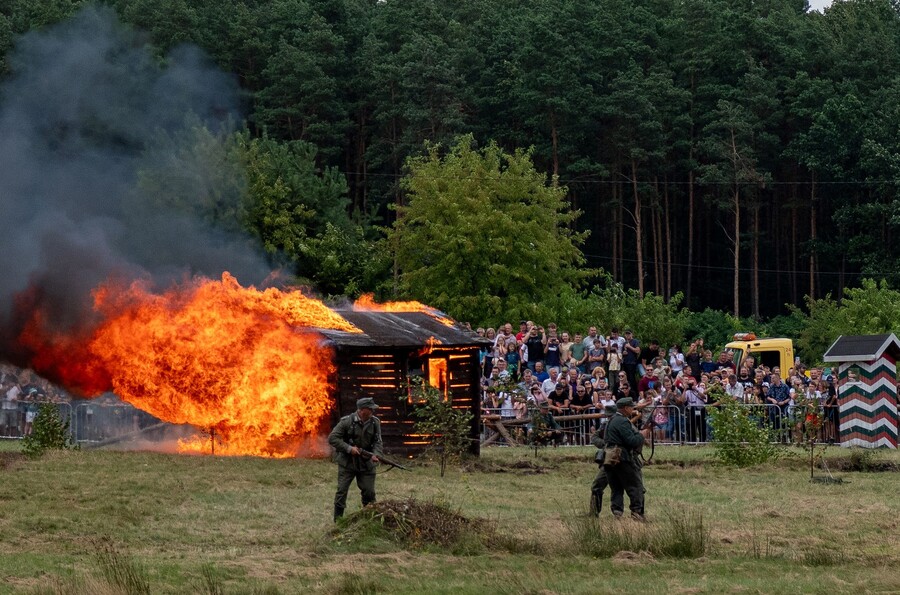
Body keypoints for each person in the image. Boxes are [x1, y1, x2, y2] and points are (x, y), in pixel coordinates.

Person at [328, 397, 384, 522]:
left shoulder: (375, 422)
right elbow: (332, 438)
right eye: (370, 409)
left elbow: (378, 442)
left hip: (366, 464)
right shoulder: (346, 422)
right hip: (347, 463)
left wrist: (376, 454)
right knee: (341, 492)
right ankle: (338, 522)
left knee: (369, 493)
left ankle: (370, 521)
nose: (373, 411)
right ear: (362, 410)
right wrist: (349, 448)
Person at [604, 397, 646, 520]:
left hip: (609, 457)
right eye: (631, 407)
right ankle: (636, 512)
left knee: (616, 486)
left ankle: (617, 512)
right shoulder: (622, 421)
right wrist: (641, 436)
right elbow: (631, 441)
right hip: (622, 457)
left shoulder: (612, 420)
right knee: (635, 485)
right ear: (626, 408)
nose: (633, 409)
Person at [589, 402, 623, 516]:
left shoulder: (623, 424)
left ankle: (618, 511)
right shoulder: (604, 425)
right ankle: (594, 512)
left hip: (622, 458)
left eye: (610, 415)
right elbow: (594, 437)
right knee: (597, 485)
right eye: (607, 416)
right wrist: (606, 445)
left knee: (619, 486)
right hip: (608, 459)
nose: (609, 418)